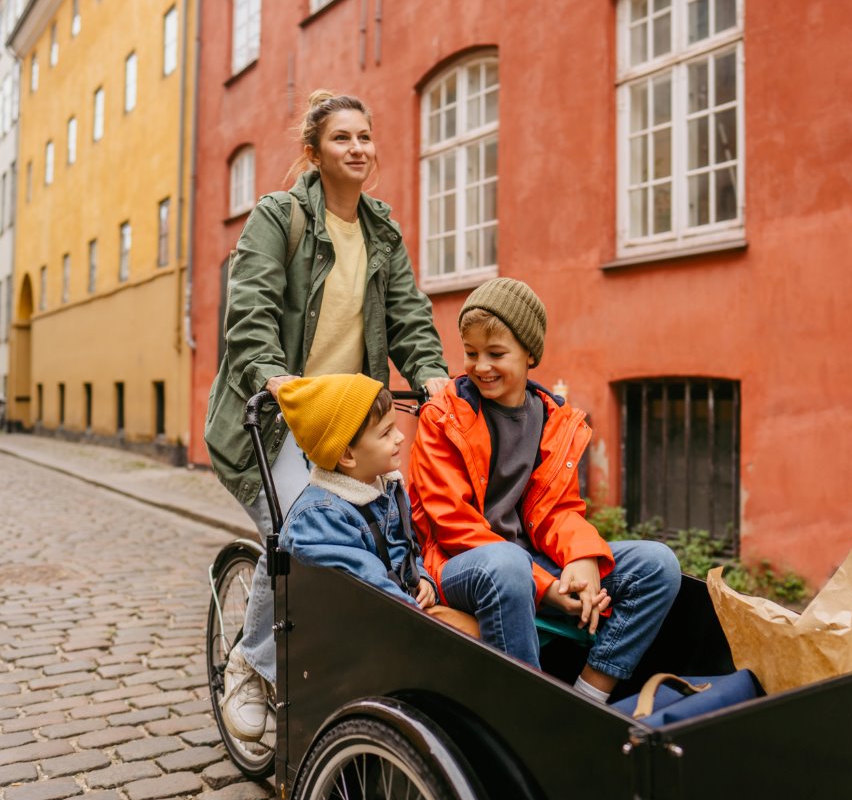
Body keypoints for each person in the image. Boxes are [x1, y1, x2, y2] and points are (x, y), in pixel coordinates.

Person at [205, 90, 448, 742]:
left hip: (346, 424)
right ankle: (250, 668)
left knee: (378, 528)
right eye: (343, 138)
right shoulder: (278, 218)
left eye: (366, 136)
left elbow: (408, 316)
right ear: (313, 153)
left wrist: (431, 373)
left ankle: (344, 674)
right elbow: (250, 309)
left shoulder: (381, 231)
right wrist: (274, 375)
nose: (359, 148)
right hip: (276, 419)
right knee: (296, 534)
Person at [408, 278, 681, 704]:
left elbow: (559, 510)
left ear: (531, 354)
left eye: (497, 354)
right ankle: (533, 713)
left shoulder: (553, 419)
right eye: (471, 353)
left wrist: (583, 557)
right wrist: (548, 588)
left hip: (529, 561)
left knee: (657, 565)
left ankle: (589, 698)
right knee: (508, 563)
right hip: (461, 565)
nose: (481, 366)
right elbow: (452, 526)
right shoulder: (442, 417)